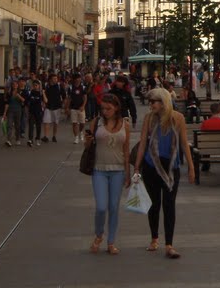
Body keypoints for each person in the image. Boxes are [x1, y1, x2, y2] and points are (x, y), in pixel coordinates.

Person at [132, 87, 196, 259]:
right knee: (154, 204)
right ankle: (154, 238)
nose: (150, 104)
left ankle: (169, 244)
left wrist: (191, 167)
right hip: (151, 166)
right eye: (150, 101)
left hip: (170, 168)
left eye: (154, 101)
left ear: (163, 102)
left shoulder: (178, 118)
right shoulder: (148, 118)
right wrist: (136, 166)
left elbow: (184, 143)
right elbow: (142, 144)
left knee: (169, 205)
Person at [84, 93, 131, 255]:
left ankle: (111, 241)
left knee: (113, 207)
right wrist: (88, 140)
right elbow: (88, 146)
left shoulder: (125, 124)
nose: (105, 111)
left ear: (116, 108)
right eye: (103, 108)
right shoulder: (96, 122)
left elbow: (126, 149)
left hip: (118, 170)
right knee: (102, 206)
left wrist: (128, 172)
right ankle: (98, 235)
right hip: (99, 169)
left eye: (108, 108)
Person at [66, 73, 88, 144]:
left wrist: (83, 106)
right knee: (74, 123)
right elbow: (69, 98)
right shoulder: (71, 87)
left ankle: (81, 131)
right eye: (77, 78)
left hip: (81, 108)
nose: (78, 80)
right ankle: (76, 137)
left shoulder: (83, 87)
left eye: (79, 78)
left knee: (82, 123)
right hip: (73, 108)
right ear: (74, 79)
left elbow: (85, 98)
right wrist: (67, 107)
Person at [24, 79, 46, 147]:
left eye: (36, 85)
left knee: (38, 126)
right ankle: (30, 139)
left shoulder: (40, 93)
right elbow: (27, 102)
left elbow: (46, 101)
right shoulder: (31, 93)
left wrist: (43, 93)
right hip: (32, 111)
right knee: (31, 126)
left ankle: (37, 139)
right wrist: (27, 110)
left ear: (39, 86)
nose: (35, 86)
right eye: (34, 85)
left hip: (39, 112)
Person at [3, 80, 25, 146]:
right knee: (9, 125)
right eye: (13, 85)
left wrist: (18, 96)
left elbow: (23, 100)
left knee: (17, 126)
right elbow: (7, 103)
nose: (15, 86)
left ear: (18, 85)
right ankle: (8, 140)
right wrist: (4, 113)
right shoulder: (9, 93)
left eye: (16, 84)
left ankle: (17, 139)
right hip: (10, 111)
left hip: (18, 110)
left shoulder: (20, 92)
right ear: (12, 86)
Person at [43, 73, 64, 143]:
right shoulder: (47, 86)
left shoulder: (59, 86)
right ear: (50, 79)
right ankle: (46, 136)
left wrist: (63, 104)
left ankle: (54, 136)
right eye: (54, 79)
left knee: (55, 122)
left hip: (57, 107)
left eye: (56, 78)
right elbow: (44, 95)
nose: (56, 80)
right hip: (48, 106)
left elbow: (64, 95)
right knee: (47, 121)